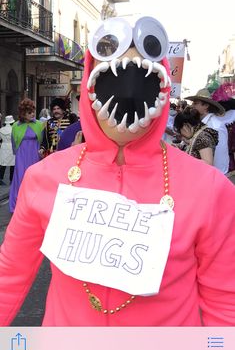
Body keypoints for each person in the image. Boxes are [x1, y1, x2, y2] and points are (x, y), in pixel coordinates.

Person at [0, 16, 235, 327]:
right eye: (112, 76)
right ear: (89, 85)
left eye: (143, 78)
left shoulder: (210, 189)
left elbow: (224, 302)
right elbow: (10, 275)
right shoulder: (44, 177)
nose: (127, 92)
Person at [9, 99, 43, 213]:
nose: (32, 114)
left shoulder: (39, 124)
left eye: (33, 111)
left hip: (35, 156)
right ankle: (17, 206)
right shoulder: (15, 126)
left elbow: (43, 141)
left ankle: (34, 206)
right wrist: (17, 156)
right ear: (23, 113)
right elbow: (14, 143)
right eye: (29, 112)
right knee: (20, 179)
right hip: (21, 157)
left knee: (34, 179)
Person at [185, 88, 229, 174]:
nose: (192, 106)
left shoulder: (215, 126)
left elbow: (219, 156)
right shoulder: (202, 123)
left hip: (214, 175)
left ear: (206, 106)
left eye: (195, 103)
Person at [0, 115, 15, 185]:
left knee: (3, 163)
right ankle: (11, 179)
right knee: (13, 164)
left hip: (3, 146)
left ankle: (0, 178)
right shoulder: (14, 129)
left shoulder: (1, 130)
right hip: (11, 146)